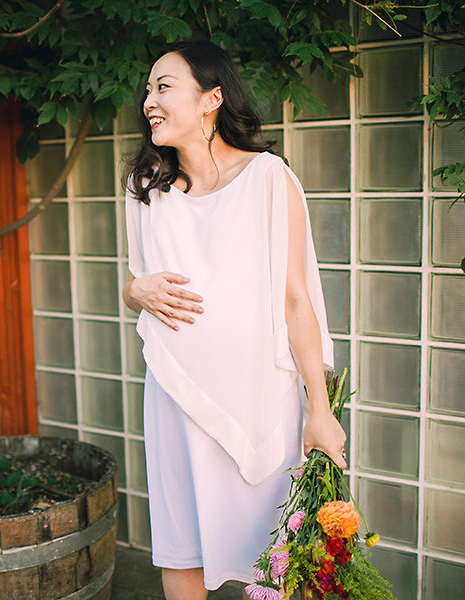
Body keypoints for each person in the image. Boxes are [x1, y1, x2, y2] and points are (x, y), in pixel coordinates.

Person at [120, 40, 348, 600]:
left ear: (211, 98)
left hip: (262, 401)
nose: (150, 100)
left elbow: (298, 302)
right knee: (182, 550)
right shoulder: (147, 192)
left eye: (164, 86)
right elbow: (137, 286)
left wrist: (319, 410)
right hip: (175, 398)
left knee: (275, 560)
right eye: (148, 89)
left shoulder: (269, 179)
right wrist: (134, 291)